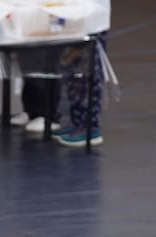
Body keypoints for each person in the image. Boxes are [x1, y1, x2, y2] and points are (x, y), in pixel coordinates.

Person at [55, 0, 109, 147]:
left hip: (91, 21)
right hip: (75, 17)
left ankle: (90, 127)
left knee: (88, 74)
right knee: (73, 74)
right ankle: (77, 123)